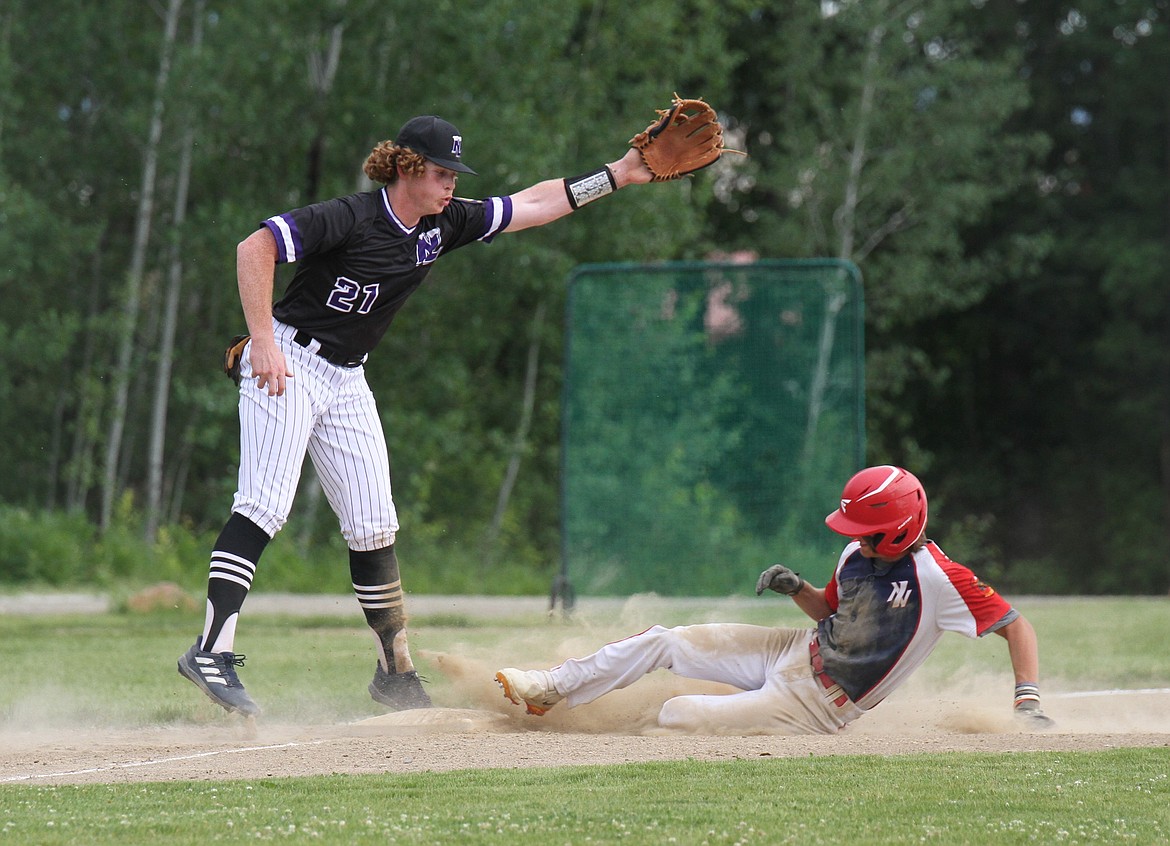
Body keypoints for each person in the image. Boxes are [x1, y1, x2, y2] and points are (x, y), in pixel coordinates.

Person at [178, 114, 656, 717]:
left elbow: (531, 204)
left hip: (346, 376)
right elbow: (256, 247)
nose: (451, 183)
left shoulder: (442, 223)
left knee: (375, 526)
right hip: (288, 358)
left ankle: (395, 673)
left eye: (455, 173)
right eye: (440, 171)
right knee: (265, 504)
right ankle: (211, 652)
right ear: (406, 167)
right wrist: (262, 341)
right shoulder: (351, 216)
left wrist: (616, 175)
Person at [496, 465, 1056, 734]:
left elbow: (1017, 625)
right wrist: (800, 591)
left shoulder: (940, 577)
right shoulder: (855, 559)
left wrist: (1026, 700)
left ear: (899, 527)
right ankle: (551, 688)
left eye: (862, 527)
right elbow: (830, 616)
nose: (852, 536)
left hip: (820, 703)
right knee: (665, 639)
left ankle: (607, 722)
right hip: (794, 651)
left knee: (676, 714)